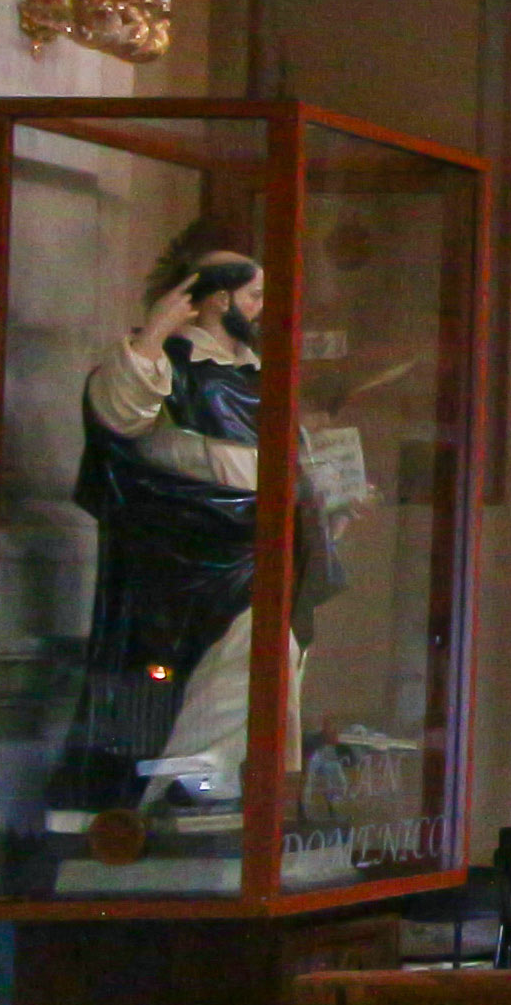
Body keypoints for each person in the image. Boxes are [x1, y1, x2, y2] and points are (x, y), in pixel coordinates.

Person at [61, 234, 333, 811]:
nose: (262, 308)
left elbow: (292, 461)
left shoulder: (258, 373)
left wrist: (326, 501)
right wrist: (155, 332)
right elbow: (119, 413)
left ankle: (228, 783)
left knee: (274, 654)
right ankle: (186, 781)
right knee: (250, 650)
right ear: (218, 300)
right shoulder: (173, 361)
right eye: (254, 296)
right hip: (194, 544)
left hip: (262, 539)